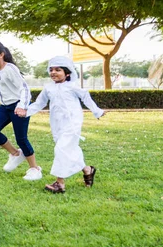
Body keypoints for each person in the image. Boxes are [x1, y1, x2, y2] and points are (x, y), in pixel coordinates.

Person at [16, 56, 105, 193]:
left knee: (61, 149)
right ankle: (87, 170)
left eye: (58, 70)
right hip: (56, 124)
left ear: (67, 73)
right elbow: (40, 103)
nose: (53, 72)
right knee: (70, 150)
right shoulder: (48, 88)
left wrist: (97, 112)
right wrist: (26, 112)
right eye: (51, 70)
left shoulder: (73, 86)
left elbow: (86, 97)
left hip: (72, 123)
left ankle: (59, 183)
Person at [0, 41, 42, 180]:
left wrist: (22, 106)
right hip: (5, 107)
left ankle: (35, 168)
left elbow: (24, 89)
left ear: (1, 54)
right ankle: (15, 154)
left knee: (21, 139)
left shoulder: (10, 69)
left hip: (18, 106)